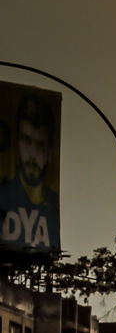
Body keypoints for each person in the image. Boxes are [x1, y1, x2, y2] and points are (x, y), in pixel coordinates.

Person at [0, 92, 58, 253]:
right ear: (17, 141)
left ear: (50, 151)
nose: (32, 154)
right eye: (26, 139)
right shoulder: (2, 195)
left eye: (40, 144)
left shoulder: (53, 202)